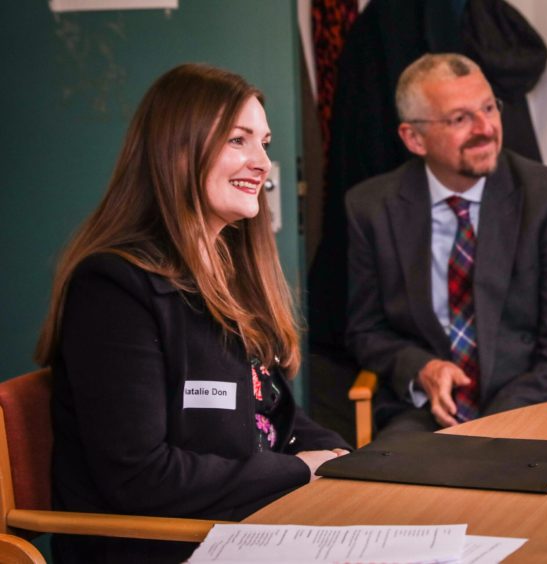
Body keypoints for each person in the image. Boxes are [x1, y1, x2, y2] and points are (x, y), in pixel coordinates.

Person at [34, 64, 350, 563]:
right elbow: (141, 478)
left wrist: (339, 458)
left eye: (264, 143)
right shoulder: (111, 289)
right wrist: (300, 470)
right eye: (238, 140)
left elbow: (268, 415)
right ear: (176, 151)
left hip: (247, 528)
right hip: (166, 549)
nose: (262, 162)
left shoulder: (228, 274)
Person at [345, 53, 547, 435]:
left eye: (489, 108)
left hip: (531, 406)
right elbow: (365, 331)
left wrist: (488, 428)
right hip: (422, 414)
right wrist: (423, 368)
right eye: (460, 118)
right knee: (394, 491)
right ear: (414, 138)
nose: (486, 128)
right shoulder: (371, 207)